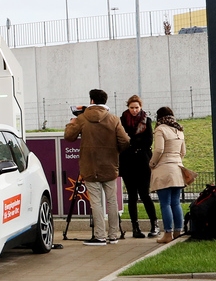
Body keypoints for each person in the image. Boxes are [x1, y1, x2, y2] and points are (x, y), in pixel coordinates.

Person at [64, 88, 130, 246]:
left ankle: (99, 236)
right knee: (112, 201)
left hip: (89, 165)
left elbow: (69, 137)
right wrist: (115, 151)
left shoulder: (82, 118)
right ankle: (113, 235)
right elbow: (125, 140)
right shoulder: (113, 119)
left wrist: (71, 124)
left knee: (96, 202)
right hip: (109, 165)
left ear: (91, 101)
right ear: (105, 101)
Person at [119, 96, 160, 239]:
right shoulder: (122, 120)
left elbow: (148, 140)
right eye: (131, 108)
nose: (134, 110)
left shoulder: (146, 120)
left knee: (145, 194)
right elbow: (121, 140)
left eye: (136, 107)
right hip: (127, 162)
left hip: (143, 161)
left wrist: (132, 141)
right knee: (131, 195)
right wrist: (134, 141)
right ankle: (135, 227)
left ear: (141, 107)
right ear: (128, 107)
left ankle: (154, 225)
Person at [150, 106, 188, 244]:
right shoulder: (179, 130)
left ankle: (167, 234)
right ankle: (178, 232)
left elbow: (159, 149)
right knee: (176, 202)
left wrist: (152, 163)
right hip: (178, 168)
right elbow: (183, 152)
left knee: (165, 204)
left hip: (164, 169)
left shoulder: (160, 129)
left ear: (159, 118)